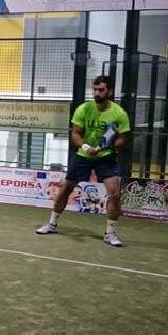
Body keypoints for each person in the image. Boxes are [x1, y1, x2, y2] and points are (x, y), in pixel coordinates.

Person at [36, 75, 130, 247]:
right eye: (95, 89)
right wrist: (86, 147)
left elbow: (122, 138)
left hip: (106, 157)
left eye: (101, 90)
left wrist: (105, 147)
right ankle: (52, 224)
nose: (97, 93)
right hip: (83, 155)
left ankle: (110, 233)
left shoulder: (119, 114)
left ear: (109, 91)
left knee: (115, 194)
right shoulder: (84, 109)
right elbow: (75, 133)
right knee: (66, 189)